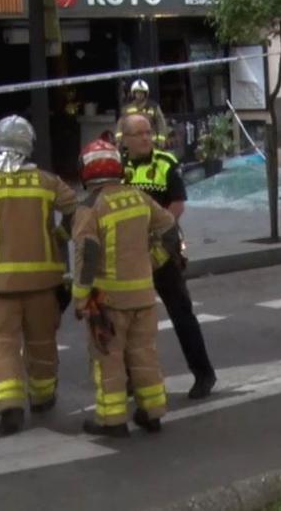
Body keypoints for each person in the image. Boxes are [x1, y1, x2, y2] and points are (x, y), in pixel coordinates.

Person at [0, 116, 78, 436]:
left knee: (2, 344)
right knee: (42, 342)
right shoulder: (48, 182)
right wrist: (61, 236)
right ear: (29, 144)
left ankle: (10, 405)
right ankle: (43, 396)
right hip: (43, 281)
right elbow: (75, 206)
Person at [72, 139, 177, 437]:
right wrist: (153, 261)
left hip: (108, 302)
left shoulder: (90, 207)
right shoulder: (138, 197)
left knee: (109, 358)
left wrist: (80, 298)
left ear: (86, 171)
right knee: (144, 353)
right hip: (143, 296)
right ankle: (152, 412)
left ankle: (112, 420)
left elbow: (87, 254)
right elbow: (169, 229)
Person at [119, 114, 218, 399]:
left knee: (181, 312)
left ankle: (203, 374)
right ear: (125, 139)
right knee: (128, 318)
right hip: (130, 254)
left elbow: (177, 205)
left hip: (162, 250)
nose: (145, 138)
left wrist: (153, 231)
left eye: (148, 132)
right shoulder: (118, 167)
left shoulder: (165, 163)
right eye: (138, 134)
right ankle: (130, 379)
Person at [120, 79, 168, 146]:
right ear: (133, 93)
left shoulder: (153, 107)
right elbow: (121, 125)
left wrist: (161, 140)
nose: (139, 95)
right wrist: (119, 140)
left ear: (145, 94)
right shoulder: (127, 109)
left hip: (151, 143)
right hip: (133, 144)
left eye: (142, 92)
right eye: (137, 92)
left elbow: (161, 124)